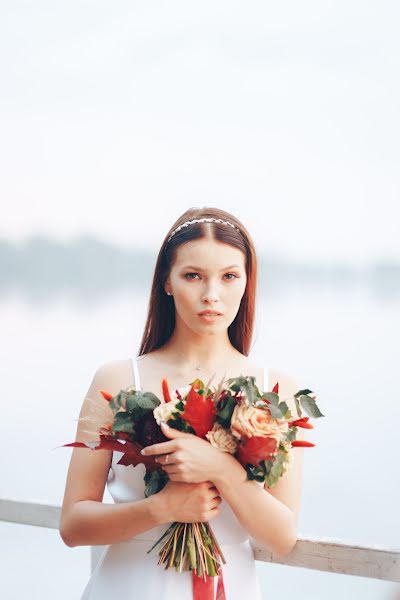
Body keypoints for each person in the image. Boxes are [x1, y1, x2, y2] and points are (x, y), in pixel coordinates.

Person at [59, 206, 305, 599]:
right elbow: (72, 525)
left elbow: (281, 537)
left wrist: (221, 469)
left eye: (229, 276)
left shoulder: (276, 390)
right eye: (193, 276)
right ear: (167, 282)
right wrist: (163, 507)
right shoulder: (119, 381)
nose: (212, 295)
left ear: (247, 282)